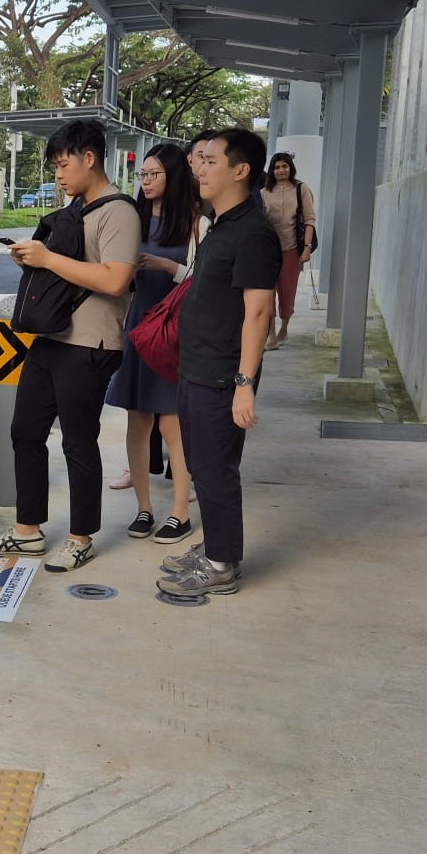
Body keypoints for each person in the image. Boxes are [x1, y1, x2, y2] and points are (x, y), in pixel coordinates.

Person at [0, 118, 140, 573]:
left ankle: (80, 536)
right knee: (24, 432)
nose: (60, 175)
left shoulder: (118, 212)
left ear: (90, 158)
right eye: (55, 168)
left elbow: (115, 278)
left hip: (91, 343)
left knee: (78, 442)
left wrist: (49, 257)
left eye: (64, 165)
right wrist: (36, 259)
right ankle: (27, 531)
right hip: (52, 338)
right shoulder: (79, 209)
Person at [157, 128, 282, 600]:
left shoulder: (253, 232)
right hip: (196, 367)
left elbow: (258, 312)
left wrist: (244, 383)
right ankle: (216, 546)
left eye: (210, 160)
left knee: (216, 470)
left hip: (222, 374)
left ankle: (222, 564)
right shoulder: (223, 223)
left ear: (240, 170)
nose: (199, 168)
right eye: (198, 160)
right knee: (201, 466)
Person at [103, 142, 201, 544]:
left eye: (153, 174)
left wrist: (167, 266)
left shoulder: (197, 221)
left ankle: (180, 512)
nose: (144, 181)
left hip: (174, 334)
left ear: (173, 176)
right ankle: (144, 509)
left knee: (173, 424)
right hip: (137, 328)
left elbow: (202, 281)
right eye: (141, 174)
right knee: (138, 421)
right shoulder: (133, 220)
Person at [257, 151, 317, 351]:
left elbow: (309, 220)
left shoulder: (301, 189)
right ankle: (271, 335)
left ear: (290, 168)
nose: (281, 170)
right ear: (271, 170)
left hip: (292, 249)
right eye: (276, 167)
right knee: (268, 293)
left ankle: (284, 328)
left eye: (284, 166)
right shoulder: (264, 193)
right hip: (268, 251)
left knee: (287, 291)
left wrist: (307, 248)